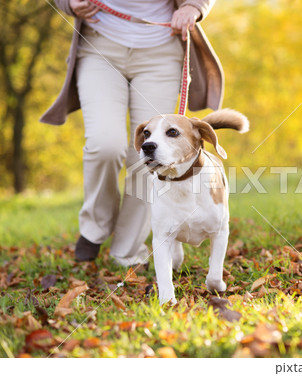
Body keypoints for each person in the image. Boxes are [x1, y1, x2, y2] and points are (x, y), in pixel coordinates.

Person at [40, 0, 223, 267]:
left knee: (149, 157)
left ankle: (127, 250)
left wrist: (193, 6)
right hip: (99, 44)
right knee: (105, 144)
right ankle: (95, 225)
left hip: (161, 49)